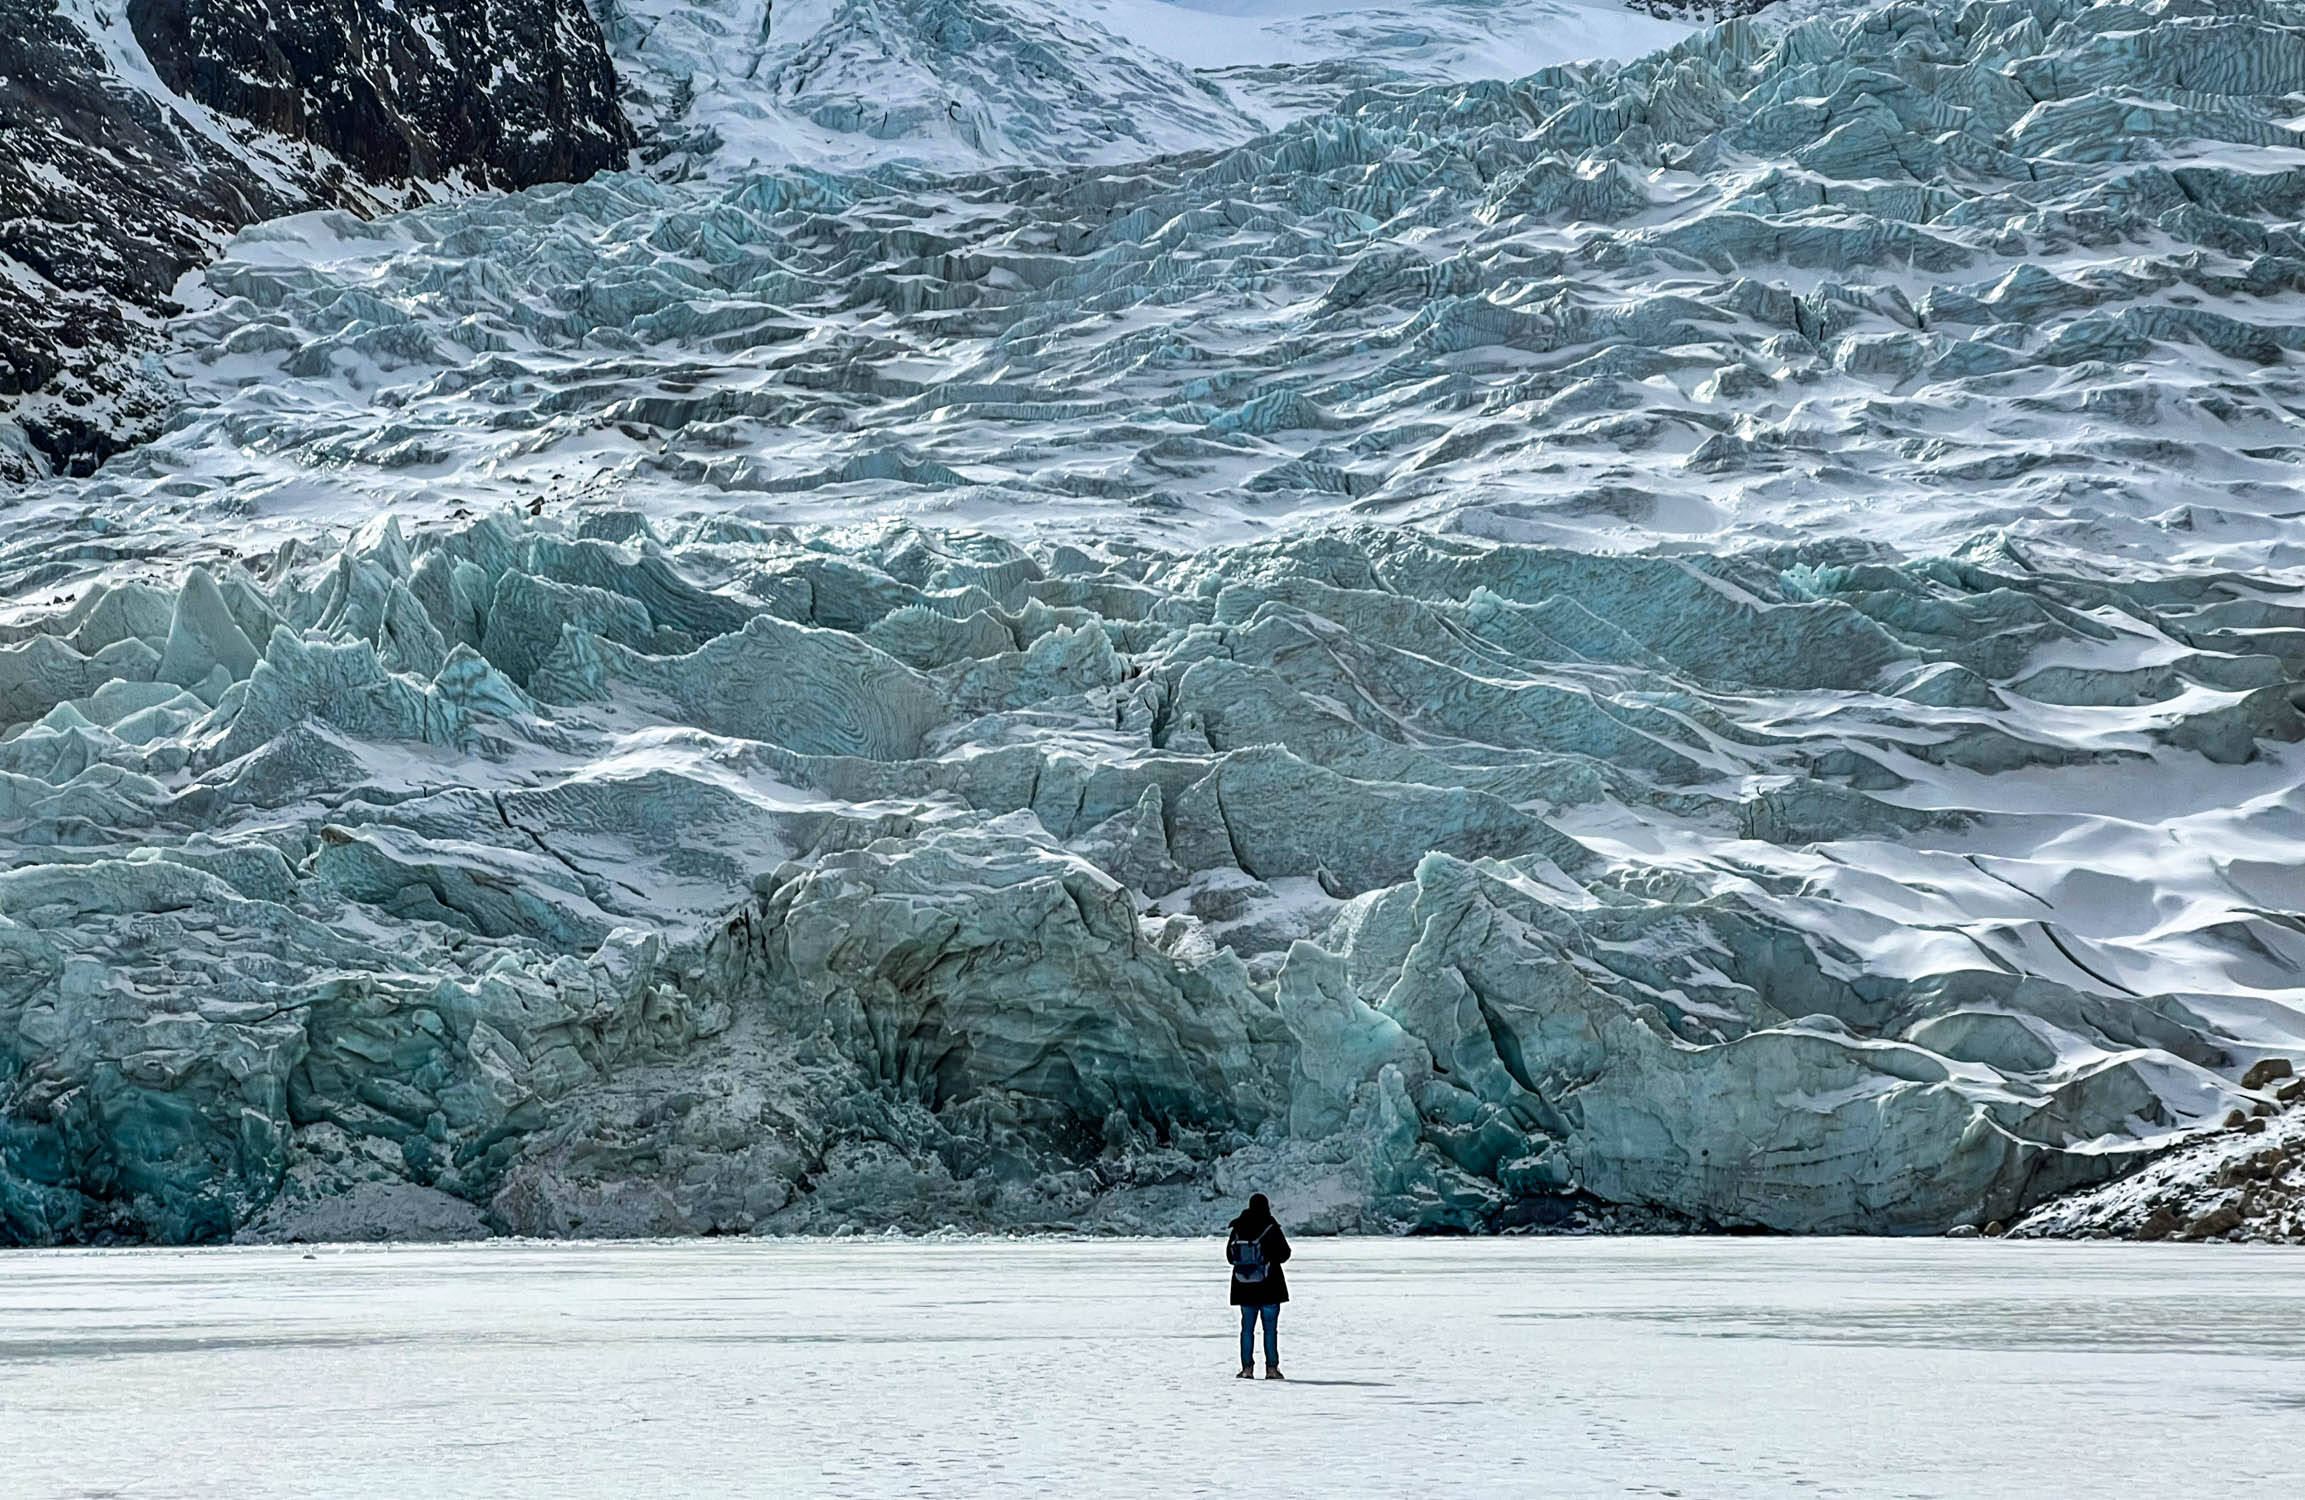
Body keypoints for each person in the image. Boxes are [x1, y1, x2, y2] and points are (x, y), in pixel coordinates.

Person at [1225, 1192, 1291, 1380]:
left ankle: (1247, 1369)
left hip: (1244, 1286)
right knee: (1270, 1329)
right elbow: (1284, 1254)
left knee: (1247, 1328)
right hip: (1270, 1286)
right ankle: (1271, 1369)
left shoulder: (1238, 1227)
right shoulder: (1270, 1226)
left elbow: (1230, 1257)